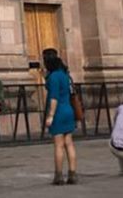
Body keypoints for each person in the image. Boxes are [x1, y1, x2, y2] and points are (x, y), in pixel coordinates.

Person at [43, 49, 78, 185]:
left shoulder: (53, 77)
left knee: (58, 145)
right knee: (69, 143)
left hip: (58, 112)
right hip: (68, 109)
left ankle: (58, 176)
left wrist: (50, 116)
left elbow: (53, 98)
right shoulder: (64, 74)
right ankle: (73, 174)